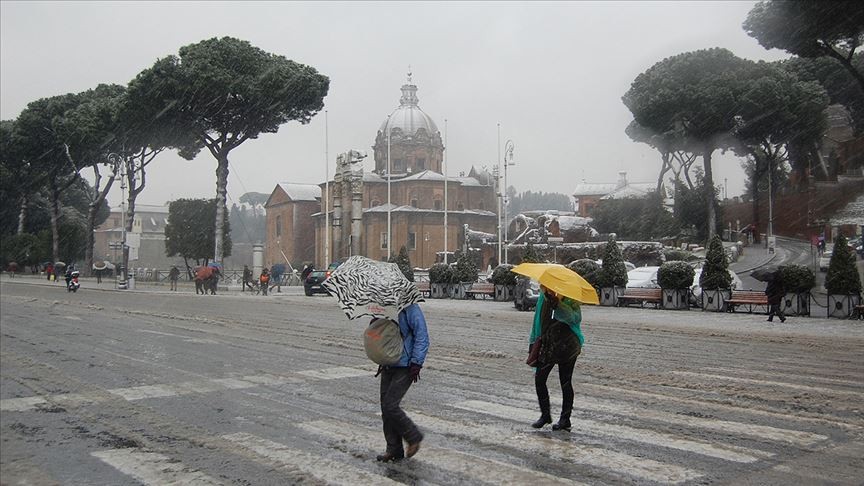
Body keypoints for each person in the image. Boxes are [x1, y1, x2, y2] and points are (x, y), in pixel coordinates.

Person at [375, 303, 429, 462]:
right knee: (385, 408)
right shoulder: (381, 306)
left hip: (406, 365)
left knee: (390, 405)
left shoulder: (409, 307)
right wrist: (375, 324)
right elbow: (382, 334)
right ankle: (393, 449)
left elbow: (422, 334)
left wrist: (416, 362)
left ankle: (413, 437)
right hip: (387, 362)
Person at [529, 286, 584, 431]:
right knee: (539, 379)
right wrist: (533, 341)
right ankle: (545, 415)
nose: (542, 286)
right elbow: (538, 320)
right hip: (549, 344)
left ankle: (565, 419)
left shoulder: (570, 296)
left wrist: (558, 304)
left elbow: (575, 319)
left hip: (568, 345)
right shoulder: (544, 296)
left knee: (565, 382)